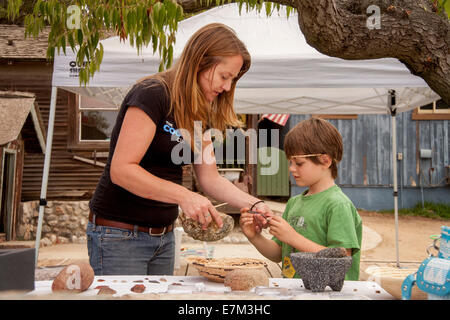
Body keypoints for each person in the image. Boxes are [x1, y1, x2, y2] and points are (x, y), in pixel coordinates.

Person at [86, 23, 273, 276]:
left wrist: (255, 204)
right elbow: (121, 170)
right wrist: (184, 195)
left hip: (163, 238)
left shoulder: (201, 111)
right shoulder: (152, 95)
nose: (227, 88)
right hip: (119, 234)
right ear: (200, 62)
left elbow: (210, 178)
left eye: (232, 79)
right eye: (224, 76)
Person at [240, 117, 362, 280]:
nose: (291, 168)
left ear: (325, 161)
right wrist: (255, 237)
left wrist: (292, 237)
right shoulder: (294, 203)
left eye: (299, 163)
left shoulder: (338, 205)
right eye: (290, 162)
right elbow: (278, 253)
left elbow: (340, 260)